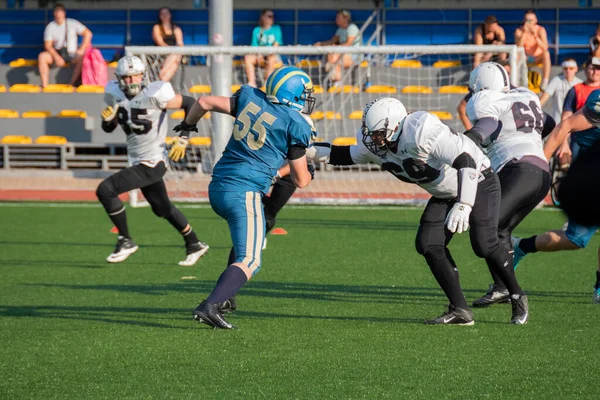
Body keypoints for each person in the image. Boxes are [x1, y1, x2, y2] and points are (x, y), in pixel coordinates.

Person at [307, 97, 529, 325]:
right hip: (446, 192)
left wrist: (464, 204)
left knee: (484, 243)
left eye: (378, 133)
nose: (373, 139)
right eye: (371, 133)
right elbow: (340, 154)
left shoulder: (420, 130)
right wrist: (303, 150)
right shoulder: (377, 145)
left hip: (478, 179)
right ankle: (460, 309)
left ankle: (517, 295)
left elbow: (466, 161)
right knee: (428, 243)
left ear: (394, 126)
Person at [168, 66, 316, 329]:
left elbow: (203, 101)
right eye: (303, 94)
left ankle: (225, 298)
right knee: (251, 259)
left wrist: (187, 128)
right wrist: (312, 164)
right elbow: (301, 180)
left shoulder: (251, 98)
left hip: (218, 188)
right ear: (291, 94)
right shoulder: (296, 123)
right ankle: (210, 305)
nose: (306, 99)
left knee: (244, 244)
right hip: (244, 193)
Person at [97, 55, 209, 266]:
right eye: (126, 78)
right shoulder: (113, 92)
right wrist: (107, 120)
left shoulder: (156, 92)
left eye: (135, 76)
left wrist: (184, 137)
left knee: (106, 189)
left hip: (153, 161)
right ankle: (194, 243)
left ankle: (126, 240)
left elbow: (190, 102)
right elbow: (109, 128)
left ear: (143, 76)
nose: (131, 81)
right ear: (119, 78)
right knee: (161, 207)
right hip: (137, 159)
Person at [464, 62, 555, 307]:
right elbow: (549, 124)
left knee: (484, 227)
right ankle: (501, 287)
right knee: (501, 230)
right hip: (541, 173)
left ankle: (513, 292)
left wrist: (473, 138)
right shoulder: (526, 94)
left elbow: (490, 125)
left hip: (517, 170)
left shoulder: (483, 100)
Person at [513, 90, 600, 304]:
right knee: (575, 239)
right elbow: (566, 126)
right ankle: (522, 246)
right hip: (593, 180)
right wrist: (541, 165)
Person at [38, 3, 93, 88]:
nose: (58, 14)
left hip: (72, 53)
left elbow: (88, 34)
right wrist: (56, 57)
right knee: (42, 56)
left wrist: (81, 49)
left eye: (60, 11)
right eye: (57, 11)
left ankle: (72, 83)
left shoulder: (72, 23)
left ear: (64, 13)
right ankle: (44, 85)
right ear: (54, 13)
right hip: (58, 53)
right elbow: (48, 45)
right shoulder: (51, 26)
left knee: (83, 57)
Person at [314, 9, 362, 85]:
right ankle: (336, 80)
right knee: (332, 55)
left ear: (346, 18)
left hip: (354, 56)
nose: (336, 20)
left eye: (338, 18)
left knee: (334, 58)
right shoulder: (340, 29)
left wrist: (335, 48)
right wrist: (321, 44)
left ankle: (337, 81)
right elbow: (332, 41)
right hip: (343, 54)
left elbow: (348, 44)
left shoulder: (352, 28)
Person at [244, 9, 283, 88]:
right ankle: (252, 83)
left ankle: (266, 84)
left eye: (273, 16)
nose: (272, 18)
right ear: (263, 17)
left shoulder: (276, 28)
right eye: (269, 16)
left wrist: (267, 54)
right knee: (248, 58)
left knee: (271, 58)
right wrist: (259, 55)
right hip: (260, 55)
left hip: (272, 55)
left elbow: (276, 44)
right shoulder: (257, 30)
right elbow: (254, 46)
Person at [515, 9, 551, 90]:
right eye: (527, 20)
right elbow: (518, 47)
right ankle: (515, 80)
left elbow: (545, 47)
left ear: (536, 20)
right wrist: (524, 33)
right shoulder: (519, 31)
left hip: (537, 57)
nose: (529, 22)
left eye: (531, 20)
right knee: (516, 54)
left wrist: (535, 36)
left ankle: (545, 81)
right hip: (525, 57)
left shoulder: (540, 30)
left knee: (546, 54)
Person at [539, 59, 582, 123]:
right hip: (557, 122)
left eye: (571, 68)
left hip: (575, 123)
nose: (568, 71)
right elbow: (544, 97)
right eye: (565, 68)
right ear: (562, 69)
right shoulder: (556, 80)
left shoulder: (580, 83)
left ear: (576, 69)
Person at [151, 7, 184, 83]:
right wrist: (172, 50)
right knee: (176, 57)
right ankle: (163, 79)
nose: (165, 15)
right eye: (163, 14)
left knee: (176, 60)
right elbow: (160, 43)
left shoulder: (176, 28)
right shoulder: (157, 28)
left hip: (174, 55)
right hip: (161, 53)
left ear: (170, 15)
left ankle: (162, 77)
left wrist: (176, 50)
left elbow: (180, 43)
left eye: (166, 13)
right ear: (159, 16)